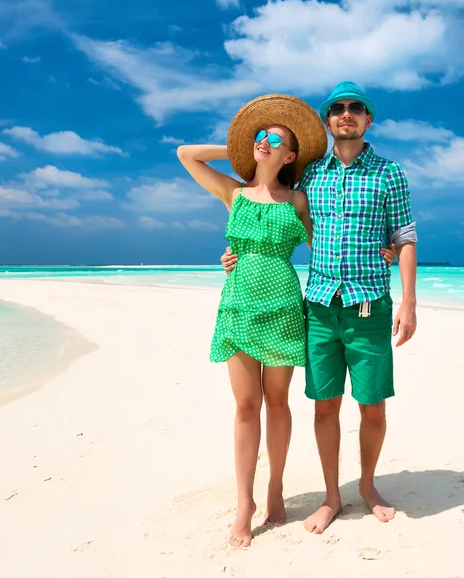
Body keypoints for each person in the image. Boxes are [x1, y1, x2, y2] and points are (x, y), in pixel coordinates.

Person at [177, 95, 395, 548]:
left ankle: (275, 488)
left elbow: (335, 238)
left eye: (274, 138)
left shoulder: (299, 198)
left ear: (291, 155)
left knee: (277, 403)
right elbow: (186, 155)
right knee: (243, 406)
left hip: (282, 307)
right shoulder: (232, 193)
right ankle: (244, 504)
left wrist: (383, 251)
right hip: (238, 305)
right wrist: (241, 146)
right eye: (260, 136)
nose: (263, 141)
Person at [221, 81, 417, 535]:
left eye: (356, 108)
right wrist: (236, 255)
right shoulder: (309, 175)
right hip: (317, 307)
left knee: (372, 407)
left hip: (369, 306)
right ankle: (332, 496)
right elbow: (271, 215)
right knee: (324, 408)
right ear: (328, 121)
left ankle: (367, 487)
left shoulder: (390, 173)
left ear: (368, 119)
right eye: (337, 109)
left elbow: (404, 238)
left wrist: (408, 301)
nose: (346, 114)